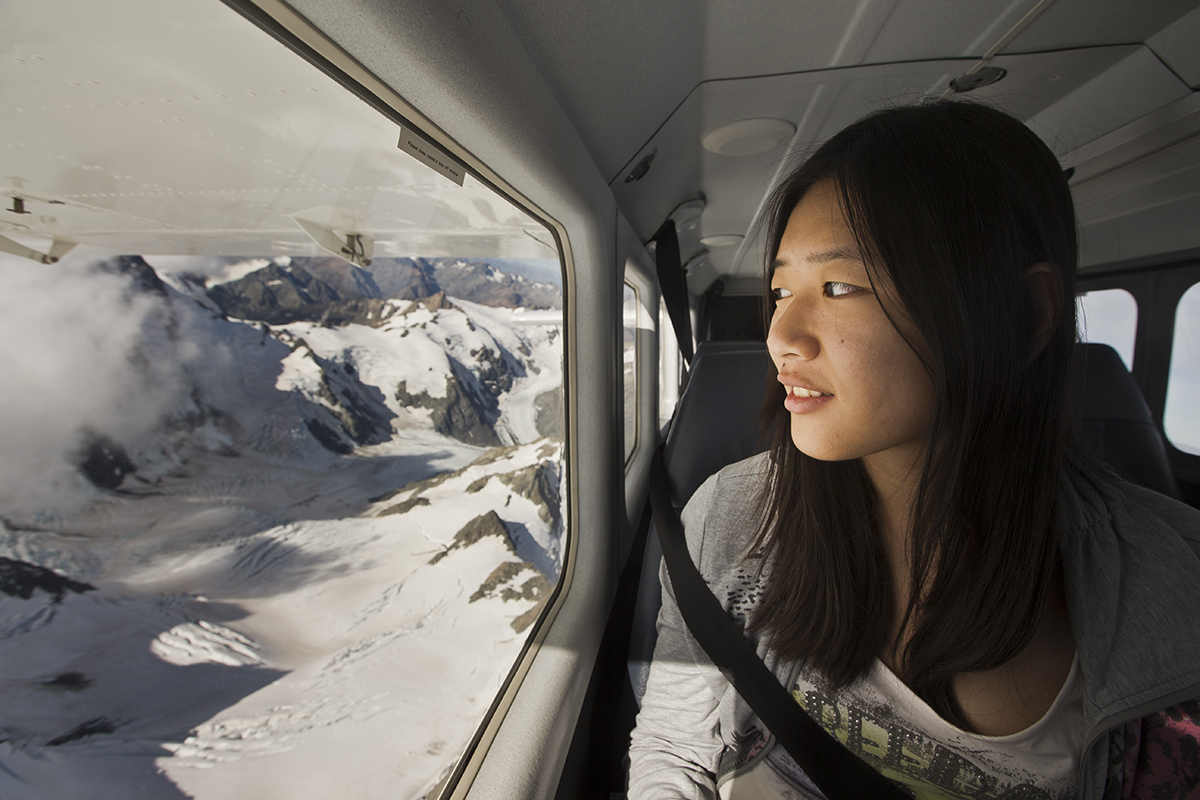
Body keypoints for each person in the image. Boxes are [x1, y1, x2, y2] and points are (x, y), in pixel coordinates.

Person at [627, 99, 1200, 800]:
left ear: (1026, 315)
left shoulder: (1178, 584)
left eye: (839, 286)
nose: (781, 338)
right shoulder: (732, 515)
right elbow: (675, 748)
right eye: (780, 290)